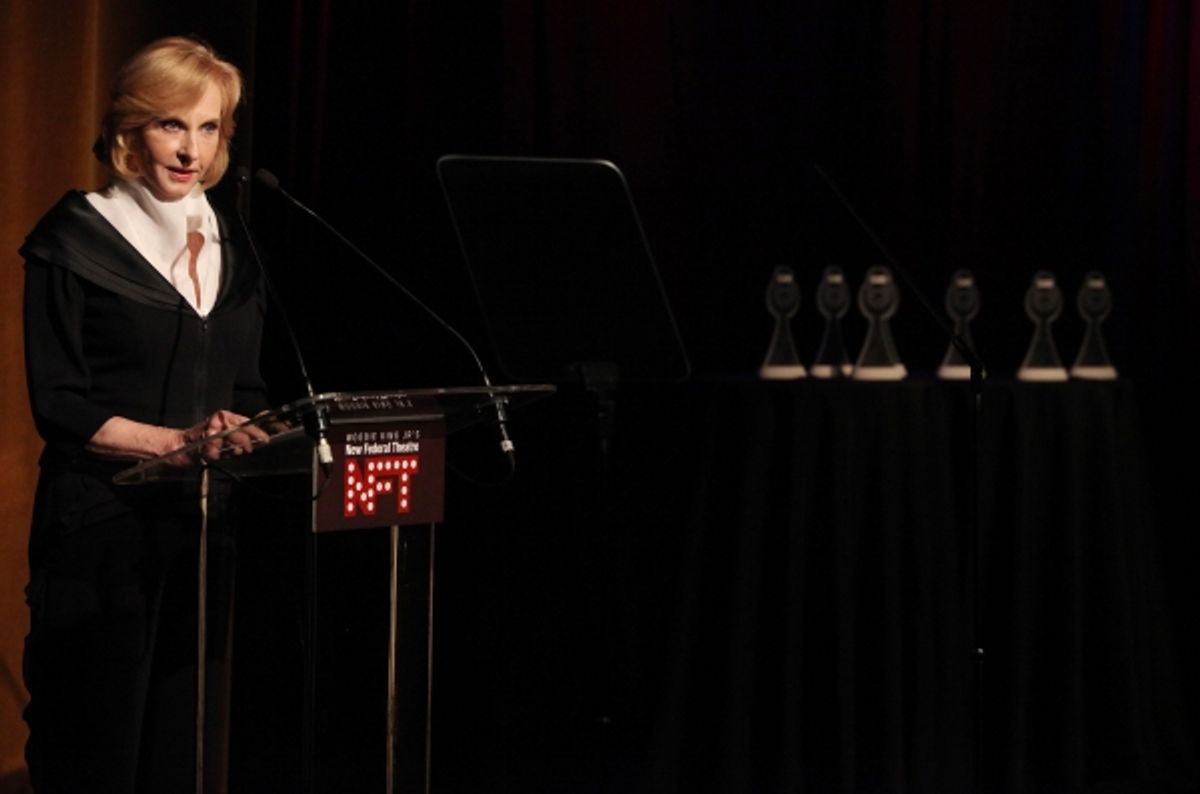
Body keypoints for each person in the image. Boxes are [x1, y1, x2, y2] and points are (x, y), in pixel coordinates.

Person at [20, 36, 269, 792]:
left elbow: (249, 385)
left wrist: (246, 430)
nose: (191, 150)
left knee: (182, 745)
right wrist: (174, 443)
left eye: (209, 128)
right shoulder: (73, 239)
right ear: (128, 130)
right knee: (96, 743)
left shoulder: (235, 244)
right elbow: (59, 403)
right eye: (171, 124)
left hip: (201, 531)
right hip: (100, 529)